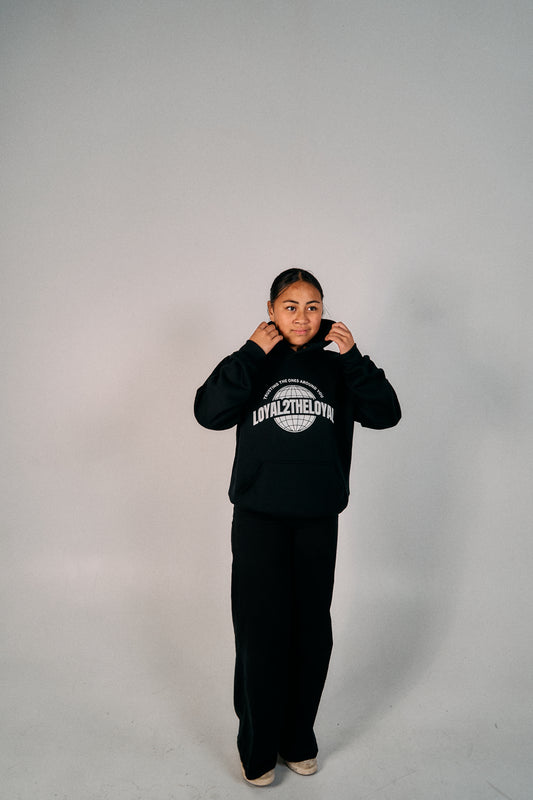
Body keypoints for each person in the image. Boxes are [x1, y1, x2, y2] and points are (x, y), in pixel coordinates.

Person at [194, 268, 401, 786]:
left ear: (324, 312)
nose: (302, 317)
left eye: (313, 306)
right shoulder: (254, 363)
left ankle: (296, 738)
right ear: (271, 311)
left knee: (310, 634)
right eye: (291, 306)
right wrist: (248, 354)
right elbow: (209, 413)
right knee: (261, 634)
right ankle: (258, 746)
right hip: (258, 519)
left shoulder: (337, 368)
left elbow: (386, 413)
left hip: (316, 518)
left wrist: (354, 359)